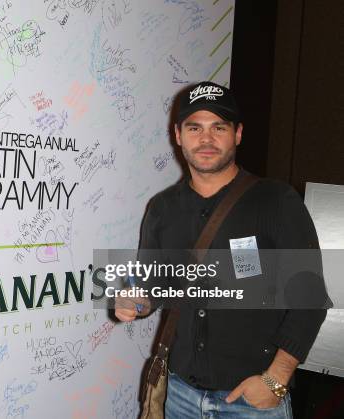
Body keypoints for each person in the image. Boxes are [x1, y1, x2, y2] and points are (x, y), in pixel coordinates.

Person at [114, 81, 328, 418]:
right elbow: (155, 285)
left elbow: (310, 297)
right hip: (179, 395)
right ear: (178, 135)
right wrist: (135, 302)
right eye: (195, 127)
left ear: (238, 134)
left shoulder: (276, 201)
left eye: (219, 127)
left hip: (252, 401)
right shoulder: (162, 209)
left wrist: (276, 379)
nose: (207, 139)